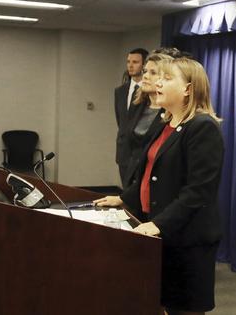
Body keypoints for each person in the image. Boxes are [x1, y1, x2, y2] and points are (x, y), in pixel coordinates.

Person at [96, 57, 224, 315]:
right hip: (160, 233)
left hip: (186, 239)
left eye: (167, 78)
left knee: (182, 309)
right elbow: (150, 173)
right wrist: (125, 198)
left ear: (188, 88)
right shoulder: (167, 123)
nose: (158, 84)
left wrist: (159, 224)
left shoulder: (202, 127)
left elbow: (198, 190)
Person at [122, 52, 172, 188]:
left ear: (167, 78)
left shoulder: (172, 112)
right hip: (132, 177)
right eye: (145, 71)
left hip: (156, 180)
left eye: (153, 73)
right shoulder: (137, 105)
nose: (145, 76)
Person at [115, 47, 149, 189]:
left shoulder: (150, 91)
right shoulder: (120, 91)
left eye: (135, 62)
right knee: (126, 191)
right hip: (124, 151)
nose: (130, 65)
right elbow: (121, 121)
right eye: (128, 61)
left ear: (144, 65)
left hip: (142, 150)